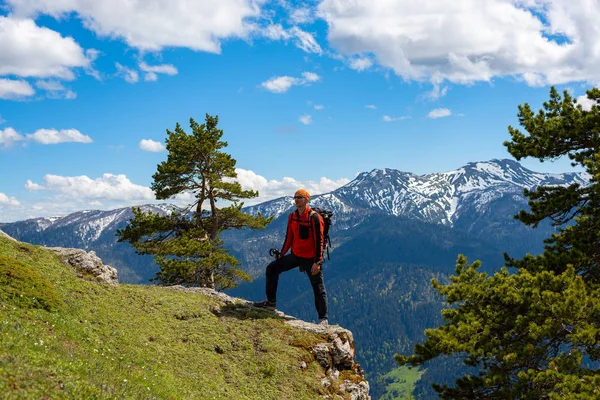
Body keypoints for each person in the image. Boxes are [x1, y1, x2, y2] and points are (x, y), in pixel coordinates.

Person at [253, 189, 329, 326]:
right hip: (295, 256)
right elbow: (289, 237)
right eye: (295, 197)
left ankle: (323, 319)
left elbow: (320, 241)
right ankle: (270, 303)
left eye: (300, 197)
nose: (296, 200)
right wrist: (281, 254)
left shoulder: (314, 217)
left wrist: (317, 262)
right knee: (271, 269)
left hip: (311, 259)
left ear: (307, 200)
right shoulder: (292, 216)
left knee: (318, 287)